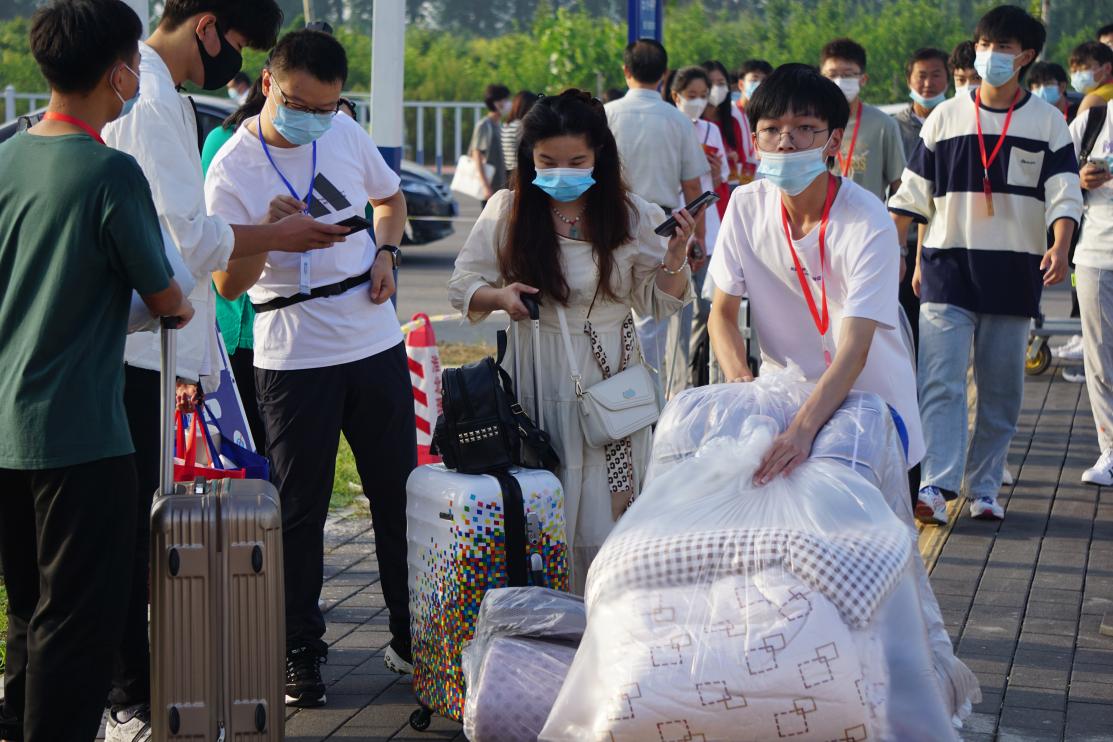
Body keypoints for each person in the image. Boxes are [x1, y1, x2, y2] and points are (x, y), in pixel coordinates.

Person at [100, 0, 349, 736]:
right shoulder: (147, 97)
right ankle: (127, 700)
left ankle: (141, 691)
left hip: (160, 346)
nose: (234, 58)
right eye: (238, 42)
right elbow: (183, 236)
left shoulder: (165, 97)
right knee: (127, 535)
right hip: (138, 348)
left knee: (145, 533)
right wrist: (275, 232)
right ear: (205, 25)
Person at [0, 1, 195, 740]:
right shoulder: (111, 173)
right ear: (121, 73)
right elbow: (166, 296)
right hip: (83, 436)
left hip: (6, 429)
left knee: (28, 612)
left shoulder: (5, 156)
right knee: (80, 624)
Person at [205, 28, 414, 707]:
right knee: (299, 510)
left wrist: (385, 256)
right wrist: (267, 234)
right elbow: (227, 287)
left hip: (373, 338)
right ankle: (300, 651)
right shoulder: (233, 166)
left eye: (327, 106)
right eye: (300, 103)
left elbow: (390, 203)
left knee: (397, 495)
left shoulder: (346, 134)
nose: (315, 118)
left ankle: (415, 639)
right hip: (293, 353)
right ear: (268, 82)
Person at [448, 90, 696, 593]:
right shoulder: (508, 209)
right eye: (548, 161)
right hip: (536, 375)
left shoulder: (632, 214)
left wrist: (675, 256)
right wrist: (500, 295)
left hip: (611, 385)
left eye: (576, 161)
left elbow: (659, 302)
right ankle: (547, 624)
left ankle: (608, 617)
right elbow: (462, 286)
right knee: (545, 504)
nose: (562, 172)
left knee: (609, 509)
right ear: (528, 157)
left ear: (599, 154)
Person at [889, 4, 1083, 525]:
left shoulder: (1048, 123)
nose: (989, 55)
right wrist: (891, 251)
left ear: (1025, 57)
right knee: (941, 380)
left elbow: (1064, 192)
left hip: (1015, 271)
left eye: (1001, 48)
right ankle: (937, 483)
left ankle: (986, 487)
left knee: (1001, 390)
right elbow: (912, 194)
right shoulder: (948, 116)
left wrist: (1061, 246)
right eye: (983, 45)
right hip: (947, 267)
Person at [706, 63, 924, 485]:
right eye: (771, 129)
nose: (786, 143)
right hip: (783, 407)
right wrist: (745, 390)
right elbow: (722, 312)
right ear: (755, 140)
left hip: (870, 412)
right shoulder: (746, 206)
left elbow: (855, 348)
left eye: (804, 128)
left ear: (834, 140)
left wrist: (803, 432)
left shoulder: (867, 219)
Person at [606, 39, 708, 398]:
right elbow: (693, 186)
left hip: (611, 221)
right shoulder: (677, 119)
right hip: (663, 226)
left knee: (611, 310)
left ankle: (618, 395)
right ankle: (652, 399)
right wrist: (699, 239)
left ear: (625, 71)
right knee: (654, 319)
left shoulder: (607, 115)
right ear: (664, 75)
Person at [199, 77, 270, 453]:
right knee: (240, 449)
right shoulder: (225, 143)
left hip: (290, 332)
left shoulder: (322, 147)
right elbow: (210, 228)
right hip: (237, 326)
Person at [667, 66, 728, 392]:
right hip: (676, 226)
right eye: (691, 96)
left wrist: (716, 175)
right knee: (678, 308)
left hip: (709, 226)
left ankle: (702, 381)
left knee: (707, 307)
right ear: (676, 96)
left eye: (703, 96)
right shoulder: (668, 127)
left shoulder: (710, 131)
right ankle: (678, 386)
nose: (698, 102)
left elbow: (717, 182)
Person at [1071, 94, 1113, 482]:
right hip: (1098, 256)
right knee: (1101, 360)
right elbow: (1057, 180)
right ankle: (1110, 450)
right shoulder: (1095, 121)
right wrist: (1080, 178)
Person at [820, 38, 906, 204]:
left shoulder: (883, 124)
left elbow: (899, 185)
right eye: (832, 75)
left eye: (848, 75)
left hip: (868, 224)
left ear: (863, 79)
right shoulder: (809, 126)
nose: (839, 81)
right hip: (820, 223)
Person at [702, 59, 745, 207]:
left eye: (721, 83)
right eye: (710, 83)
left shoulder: (732, 122)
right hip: (697, 195)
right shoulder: (692, 123)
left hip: (724, 195)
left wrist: (729, 160)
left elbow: (742, 162)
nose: (716, 88)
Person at [470, 83, 511, 204]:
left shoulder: (499, 125)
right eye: (505, 99)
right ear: (496, 103)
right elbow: (476, 155)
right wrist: (485, 186)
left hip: (501, 186)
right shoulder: (484, 125)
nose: (508, 103)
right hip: (490, 188)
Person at [733, 59, 772, 183]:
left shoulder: (771, 117)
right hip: (733, 183)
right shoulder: (730, 113)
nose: (759, 84)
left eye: (764, 81)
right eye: (754, 80)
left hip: (761, 181)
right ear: (741, 85)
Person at [501, 90, 539, 186]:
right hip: (521, 172)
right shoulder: (521, 126)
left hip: (507, 171)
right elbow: (529, 150)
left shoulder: (506, 125)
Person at [1070, 41, 1113, 116]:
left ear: (1107, 68)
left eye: (1084, 68)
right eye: (1074, 71)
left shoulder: (1095, 99)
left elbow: (1080, 127)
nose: (1078, 75)